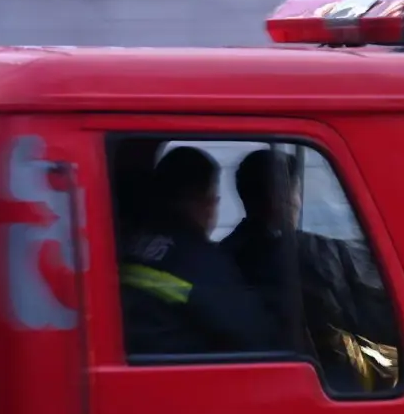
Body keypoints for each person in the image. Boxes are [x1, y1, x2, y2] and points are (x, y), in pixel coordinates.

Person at [222, 148, 400, 392]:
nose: (298, 201)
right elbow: (366, 310)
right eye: (296, 193)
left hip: (250, 379)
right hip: (317, 378)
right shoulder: (311, 253)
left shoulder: (223, 254)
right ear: (283, 199)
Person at [119, 146, 284, 355]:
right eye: (215, 199)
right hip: (176, 375)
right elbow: (255, 336)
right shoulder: (199, 262)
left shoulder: (129, 243)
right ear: (207, 201)